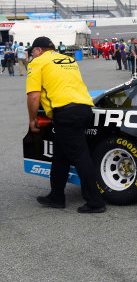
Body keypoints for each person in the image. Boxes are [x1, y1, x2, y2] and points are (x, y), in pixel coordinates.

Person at [26, 36, 105, 213]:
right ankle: (56, 196)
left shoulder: (37, 62)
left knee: (80, 157)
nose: (32, 55)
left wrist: (32, 120)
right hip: (84, 108)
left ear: (38, 50)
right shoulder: (69, 60)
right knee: (60, 155)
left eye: (33, 52)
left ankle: (95, 202)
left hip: (66, 112)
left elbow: (33, 96)